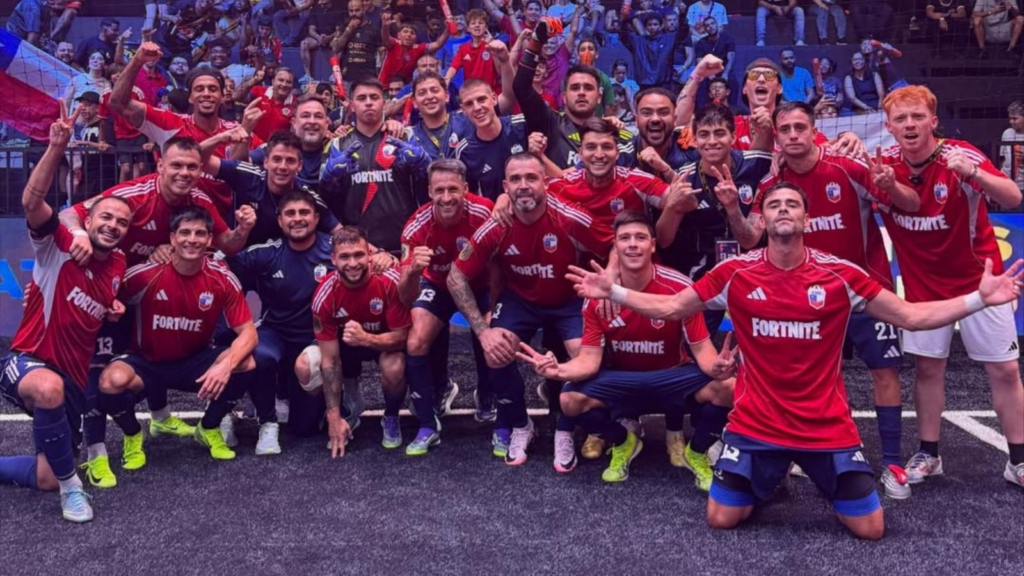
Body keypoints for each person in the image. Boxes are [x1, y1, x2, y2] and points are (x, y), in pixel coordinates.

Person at [568, 182, 1024, 539]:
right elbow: (671, 307)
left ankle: (811, 473)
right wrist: (616, 292)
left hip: (824, 425)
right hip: (755, 424)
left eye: (792, 204)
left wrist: (978, 300)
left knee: (871, 528)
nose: (783, 210)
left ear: (806, 217)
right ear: (762, 218)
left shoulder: (840, 275)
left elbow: (910, 316)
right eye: (774, 205)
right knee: (721, 518)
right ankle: (770, 473)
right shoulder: (734, 273)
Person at [740, 101, 922, 498]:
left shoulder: (848, 167)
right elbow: (750, 238)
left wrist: (891, 185)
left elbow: (911, 203)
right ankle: (823, 451)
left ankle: (892, 463)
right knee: (816, 378)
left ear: (813, 130)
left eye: (799, 127)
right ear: (776, 136)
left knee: (885, 373)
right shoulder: (772, 184)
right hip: (810, 300)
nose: (793, 135)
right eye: (785, 129)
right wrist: (730, 209)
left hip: (867, 292)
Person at [517, 211, 735, 486]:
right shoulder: (597, 297)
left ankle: (698, 451)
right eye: (625, 238)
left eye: (640, 238)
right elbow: (588, 361)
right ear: (616, 247)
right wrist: (557, 370)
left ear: (652, 245)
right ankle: (623, 441)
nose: (632, 244)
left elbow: (703, 351)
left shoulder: (679, 287)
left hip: (672, 379)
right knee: (569, 399)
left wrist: (718, 367)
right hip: (623, 383)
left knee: (730, 387)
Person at [878, 86, 1024, 489]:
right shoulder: (883, 165)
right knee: (928, 369)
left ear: (934, 121)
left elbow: (1013, 196)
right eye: (901, 119)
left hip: (981, 281)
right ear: (889, 127)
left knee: (1005, 370)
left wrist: (974, 174)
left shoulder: (961, 155)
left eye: (917, 117)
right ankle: (929, 454)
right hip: (923, 288)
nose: (910, 124)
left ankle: (1018, 461)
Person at [0, 109, 130, 523]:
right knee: (48, 388)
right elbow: (31, 202)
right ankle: (73, 489)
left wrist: (111, 307)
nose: (112, 225)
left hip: (72, 380)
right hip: (27, 360)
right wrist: (56, 146)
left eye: (121, 222)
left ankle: (58, 480)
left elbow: (96, 300)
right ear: (88, 219)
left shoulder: (118, 264)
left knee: (45, 477)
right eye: (105, 217)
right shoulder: (60, 242)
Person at [448, 153, 613, 467]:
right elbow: (455, 277)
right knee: (495, 350)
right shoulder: (496, 225)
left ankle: (564, 429)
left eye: (531, 178)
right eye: (516, 179)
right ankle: (521, 425)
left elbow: (614, 244)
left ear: (545, 183)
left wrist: (609, 285)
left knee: (584, 354)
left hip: (569, 299)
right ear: (505, 186)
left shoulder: (568, 216)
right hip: (520, 300)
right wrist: (482, 332)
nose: (523, 185)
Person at [97, 206, 258, 470]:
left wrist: (225, 366)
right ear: (172, 238)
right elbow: (99, 293)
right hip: (146, 362)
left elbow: (249, 333)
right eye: (184, 233)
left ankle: (208, 427)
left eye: (199, 233)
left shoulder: (221, 277)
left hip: (192, 361)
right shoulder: (144, 274)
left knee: (246, 363)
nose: (192, 239)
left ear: (209, 239)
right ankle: (133, 434)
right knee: (109, 382)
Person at [220, 189, 336, 450]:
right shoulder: (267, 252)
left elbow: (364, 260)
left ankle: (332, 400)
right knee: (258, 354)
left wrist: (382, 257)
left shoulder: (334, 250)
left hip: (318, 339)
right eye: (290, 214)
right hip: (276, 332)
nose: (298, 219)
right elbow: (219, 265)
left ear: (316, 218)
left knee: (305, 429)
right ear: (280, 220)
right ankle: (266, 420)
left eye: (304, 212)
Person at [398, 159, 496, 454]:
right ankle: (428, 422)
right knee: (416, 340)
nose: (446, 197)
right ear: (429, 191)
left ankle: (488, 395)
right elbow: (405, 296)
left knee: (493, 330)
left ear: (465, 188)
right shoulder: (415, 227)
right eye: (439, 190)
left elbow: (500, 263)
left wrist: (496, 302)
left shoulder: (485, 212)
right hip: (438, 286)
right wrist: (413, 272)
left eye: (453, 189)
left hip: (480, 285)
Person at [109, 41, 266, 217]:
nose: (206, 93)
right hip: (175, 220)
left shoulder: (235, 130)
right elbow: (118, 103)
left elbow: (267, 153)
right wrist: (138, 60)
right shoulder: (171, 123)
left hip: (222, 222)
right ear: (190, 97)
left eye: (213, 89)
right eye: (199, 89)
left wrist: (246, 145)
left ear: (222, 96)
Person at [654, 104, 772, 333]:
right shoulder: (685, 176)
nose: (712, 141)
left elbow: (789, 152)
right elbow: (663, 240)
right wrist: (672, 206)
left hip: (755, 268)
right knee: (694, 341)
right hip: (706, 271)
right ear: (695, 139)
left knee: (764, 338)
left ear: (733, 137)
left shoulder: (755, 163)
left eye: (719, 133)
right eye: (704, 135)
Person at [310, 226, 412, 455]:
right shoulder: (324, 294)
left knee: (395, 367)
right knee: (307, 366)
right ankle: (347, 410)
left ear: (370, 255)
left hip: (384, 342)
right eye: (345, 257)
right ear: (333, 259)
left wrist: (366, 338)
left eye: (359, 255)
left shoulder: (390, 281)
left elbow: (402, 338)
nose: (353, 263)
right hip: (346, 347)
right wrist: (333, 417)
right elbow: (330, 361)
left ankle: (391, 416)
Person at [319, 78, 431, 257]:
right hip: (357, 251)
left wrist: (424, 166)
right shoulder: (338, 144)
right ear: (352, 106)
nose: (368, 102)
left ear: (384, 104)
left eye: (374, 97)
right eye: (361, 98)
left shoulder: (405, 137)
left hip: (404, 244)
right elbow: (325, 201)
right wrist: (328, 179)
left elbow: (429, 187)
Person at [513, 21, 637, 170]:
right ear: (564, 97)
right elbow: (521, 86)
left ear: (599, 97)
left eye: (588, 88)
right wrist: (536, 41)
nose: (581, 92)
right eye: (575, 88)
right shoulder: (550, 122)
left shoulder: (614, 133)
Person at [202, 129, 341, 246]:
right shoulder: (246, 174)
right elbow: (200, 160)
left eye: (290, 161)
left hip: (281, 263)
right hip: (238, 254)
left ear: (300, 166)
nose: (283, 167)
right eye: (277, 159)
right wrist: (219, 138)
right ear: (266, 162)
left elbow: (339, 231)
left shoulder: (307, 197)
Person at [453, 80, 529, 200]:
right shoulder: (464, 151)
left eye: (481, 99)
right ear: (463, 110)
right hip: (496, 211)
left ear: (494, 99)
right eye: (469, 104)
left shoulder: (522, 126)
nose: (477, 107)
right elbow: (469, 197)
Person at [249, 94, 334, 188]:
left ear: (326, 123)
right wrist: (245, 130)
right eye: (305, 116)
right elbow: (242, 162)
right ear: (294, 123)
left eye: (318, 116)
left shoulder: (338, 152)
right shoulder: (276, 147)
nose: (312, 121)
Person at [378, 11, 450, 84]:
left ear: (416, 38)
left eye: (412, 33)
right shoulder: (394, 43)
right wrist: (385, 27)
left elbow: (437, 44)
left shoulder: (418, 49)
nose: (409, 35)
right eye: (405, 32)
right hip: (384, 84)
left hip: (405, 87)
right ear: (398, 35)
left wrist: (448, 29)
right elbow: (386, 39)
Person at [444, 9, 502, 96]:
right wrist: (446, 79)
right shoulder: (463, 49)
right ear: (468, 28)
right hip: (472, 94)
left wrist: (493, 51)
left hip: (491, 93)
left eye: (480, 23)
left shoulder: (493, 45)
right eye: (473, 23)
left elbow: (500, 71)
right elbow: (453, 67)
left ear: (486, 27)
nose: (477, 25)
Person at [619, 12, 683, 91]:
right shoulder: (638, 41)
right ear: (645, 27)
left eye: (655, 24)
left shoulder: (669, 39)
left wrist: (682, 15)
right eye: (649, 25)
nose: (652, 27)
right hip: (644, 86)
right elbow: (624, 35)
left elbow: (683, 32)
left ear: (661, 26)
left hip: (664, 86)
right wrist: (625, 20)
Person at [335, 0, 383, 88]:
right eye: (351, 11)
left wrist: (381, 74)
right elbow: (335, 48)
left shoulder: (373, 28)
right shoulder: (344, 27)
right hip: (347, 77)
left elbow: (381, 52)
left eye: (357, 10)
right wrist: (348, 30)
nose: (354, 13)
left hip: (368, 77)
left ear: (364, 10)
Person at [297, 0, 344, 84]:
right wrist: (319, 38)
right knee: (304, 44)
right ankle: (307, 75)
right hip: (318, 38)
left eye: (324, 3)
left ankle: (334, 74)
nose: (321, 3)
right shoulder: (315, 9)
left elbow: (339, 31)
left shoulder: (338, 9)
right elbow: (311, 30)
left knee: (339, 45)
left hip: (332, 37)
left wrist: (329, 38)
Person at [248, 67, 297, 141]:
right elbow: (237, 97)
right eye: (281, 80)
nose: (284, 84)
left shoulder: (295, 103)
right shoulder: (258, 91)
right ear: (273, 81)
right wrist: (252, 81)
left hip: (277, 146)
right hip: (253, 145)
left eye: (289, 82)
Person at [999, 100, 1024, 187]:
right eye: (1010, 118)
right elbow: (1002, 158)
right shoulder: (1007, 133)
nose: (1011, 122)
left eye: (1015, 119)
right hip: (1006, 182)